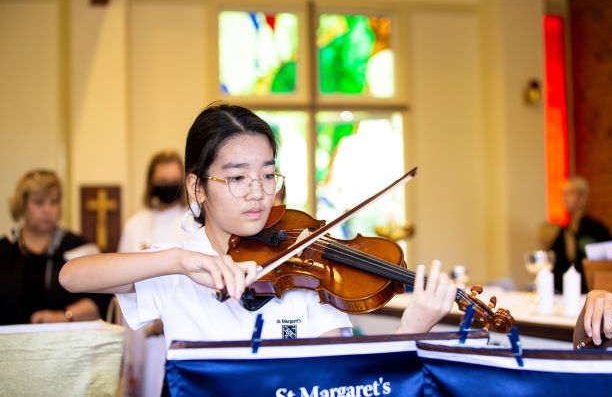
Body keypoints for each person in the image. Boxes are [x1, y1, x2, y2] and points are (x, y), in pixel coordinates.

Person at [60, 103, 456, 355]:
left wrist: (410, 329)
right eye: (237, 178)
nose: (258, 193)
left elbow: (340, 380)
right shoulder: (178, 263)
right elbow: (73, 276)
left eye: (268, 175)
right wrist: (179, 260)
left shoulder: (306, 270)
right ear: (197, 187)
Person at [117, 150, 190, 397]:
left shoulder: (192, 223)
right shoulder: (135, 225)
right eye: (161, 182)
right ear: (150, 184)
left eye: (173, 182)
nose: (167, 187)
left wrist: (165, 316)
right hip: (141, 332)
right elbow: (120, 278)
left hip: (179, 327)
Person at [0, 169, 110, 325]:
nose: (48, 210)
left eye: (54, 202)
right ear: (22, 204)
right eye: (39, 202)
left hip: (65, 343)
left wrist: (64, 316)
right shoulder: (4, 251)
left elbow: (102, 299)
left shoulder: (78, 248)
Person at [549, 176, 612, 293]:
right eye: (564, 194)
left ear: (583, 197)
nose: (565, 198)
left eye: (570, 193)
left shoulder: (597, 229)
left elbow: (607, 263)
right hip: (566, 291)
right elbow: (552, 260)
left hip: (591, 290)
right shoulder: (564, 230)